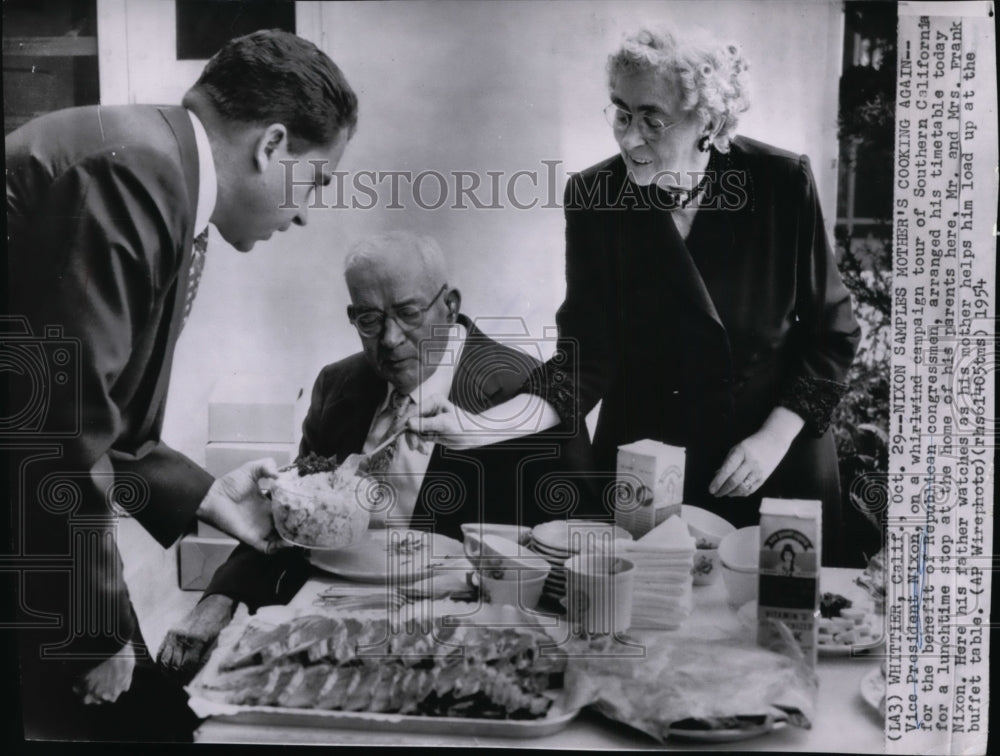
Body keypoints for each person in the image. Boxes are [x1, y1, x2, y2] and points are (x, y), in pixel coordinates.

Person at [5, 29, 357, 740]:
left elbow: (99, 421)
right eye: (315, 179)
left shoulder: (157, 168)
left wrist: (205, 495)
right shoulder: (134, 175)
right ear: (271, 146)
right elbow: (57, 432)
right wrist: (94, 630)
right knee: (146, 725)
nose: (307, 211)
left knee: (159, 717)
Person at [422, 25, 861, 563]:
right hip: (647, 471)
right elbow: (583, 364)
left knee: (778, 628)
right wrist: (474, 427)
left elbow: (832, 332)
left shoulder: (780, 182)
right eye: (622, 114)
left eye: (653, 120)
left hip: (771, 460)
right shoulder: (595, 197)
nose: (630, 139)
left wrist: (773, 437)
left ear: (711, 122)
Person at [158, 230, 594, 679]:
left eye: (407, 313)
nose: (389, 338)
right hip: (329, 622)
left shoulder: (529, 396)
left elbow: (577, 547)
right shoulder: (337, 385)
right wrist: (218, 599)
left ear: (451, 304)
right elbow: (293, 522)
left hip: (462, 637)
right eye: (369, 319)